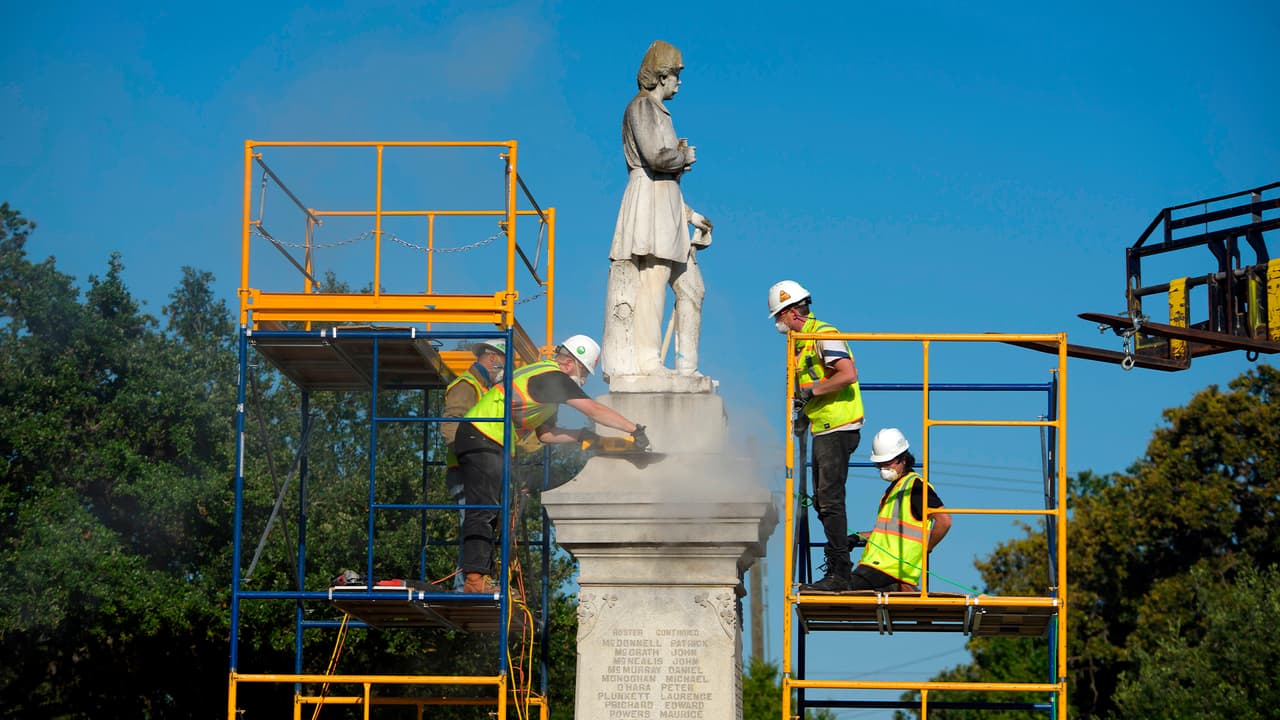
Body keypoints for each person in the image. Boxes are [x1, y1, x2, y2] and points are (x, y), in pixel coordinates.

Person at [453, 334, 649, 593]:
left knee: (494, 511)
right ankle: (474, 580)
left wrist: (582, 436)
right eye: (584, 372)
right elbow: (592, 409)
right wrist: (633, 429)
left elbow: (545, 434)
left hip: (492, 440)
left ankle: (482, 577)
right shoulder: (552, 377)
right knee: (484, 509)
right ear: (570, 363)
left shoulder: (546, 386)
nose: (584, 380)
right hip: (481, 434)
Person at [602, 39, 714, 379]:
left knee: (692, 288)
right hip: (648, 201)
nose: (679, 83)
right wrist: (683, 156)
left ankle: (687, 367)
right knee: (653, 281)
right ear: (661, 75)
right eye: (676, 75)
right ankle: (649, 363)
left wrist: (693, 216)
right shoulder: (642, 108)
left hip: (665, 204)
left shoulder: (658, 111)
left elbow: (667, 182)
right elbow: (655, 158)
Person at [768, 280, 866, 592]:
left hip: (839, 425)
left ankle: (839, 573)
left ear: (792, 311)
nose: (778, 324)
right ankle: (837, 569)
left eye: (779, 316)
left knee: (830, 500)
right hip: (822, 426)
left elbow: (847, 374)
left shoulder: (822, 334)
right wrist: (802, 416)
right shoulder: (799, 344)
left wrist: (811, 391)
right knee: (824, 502)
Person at [849, 428, 952, 592]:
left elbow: (944, 521)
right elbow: (887, 533)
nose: (883, 468)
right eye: (880, 464)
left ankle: (896, 586)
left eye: (887, 463)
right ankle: (895, 587)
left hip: (890, 568)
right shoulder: (894, 489)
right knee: (846, 592)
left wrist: (927, 548)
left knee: (842, 590)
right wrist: (856, 537)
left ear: (903, 459)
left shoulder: (916, 486)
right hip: (881, 568)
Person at [440, 340, 507, 589]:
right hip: (465, 470)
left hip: (477, 469)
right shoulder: (467, 386)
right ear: (491, 358)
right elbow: (450, 427)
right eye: (503, 360)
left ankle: (475, 582)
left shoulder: (485, 389)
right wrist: (472, 457)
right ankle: (464, 587)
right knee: (474, 525)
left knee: (481, 523)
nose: (505, 367)